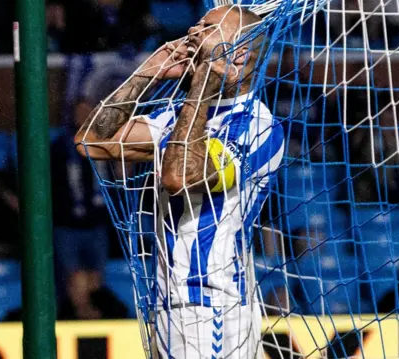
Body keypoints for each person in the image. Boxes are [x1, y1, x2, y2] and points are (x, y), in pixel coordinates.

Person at [75, 5, 283, 358]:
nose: (193, 30)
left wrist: (202, 82)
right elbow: (91, 141)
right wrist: (148, 72)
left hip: (213, 308)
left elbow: (177, 176)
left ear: (240, 53)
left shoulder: (256, 125)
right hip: (170, 303)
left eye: (208, 27)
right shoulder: (177, 115)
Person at [51, 97, 111, 300]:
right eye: (80, 113)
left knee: (96, 279)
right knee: (73, 278)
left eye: (88, 112)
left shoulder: (105, 145)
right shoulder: (59, 147)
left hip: (97, 224)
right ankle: (79, 318)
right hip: (68, 225)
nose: (84, 117)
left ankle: (95, 322)